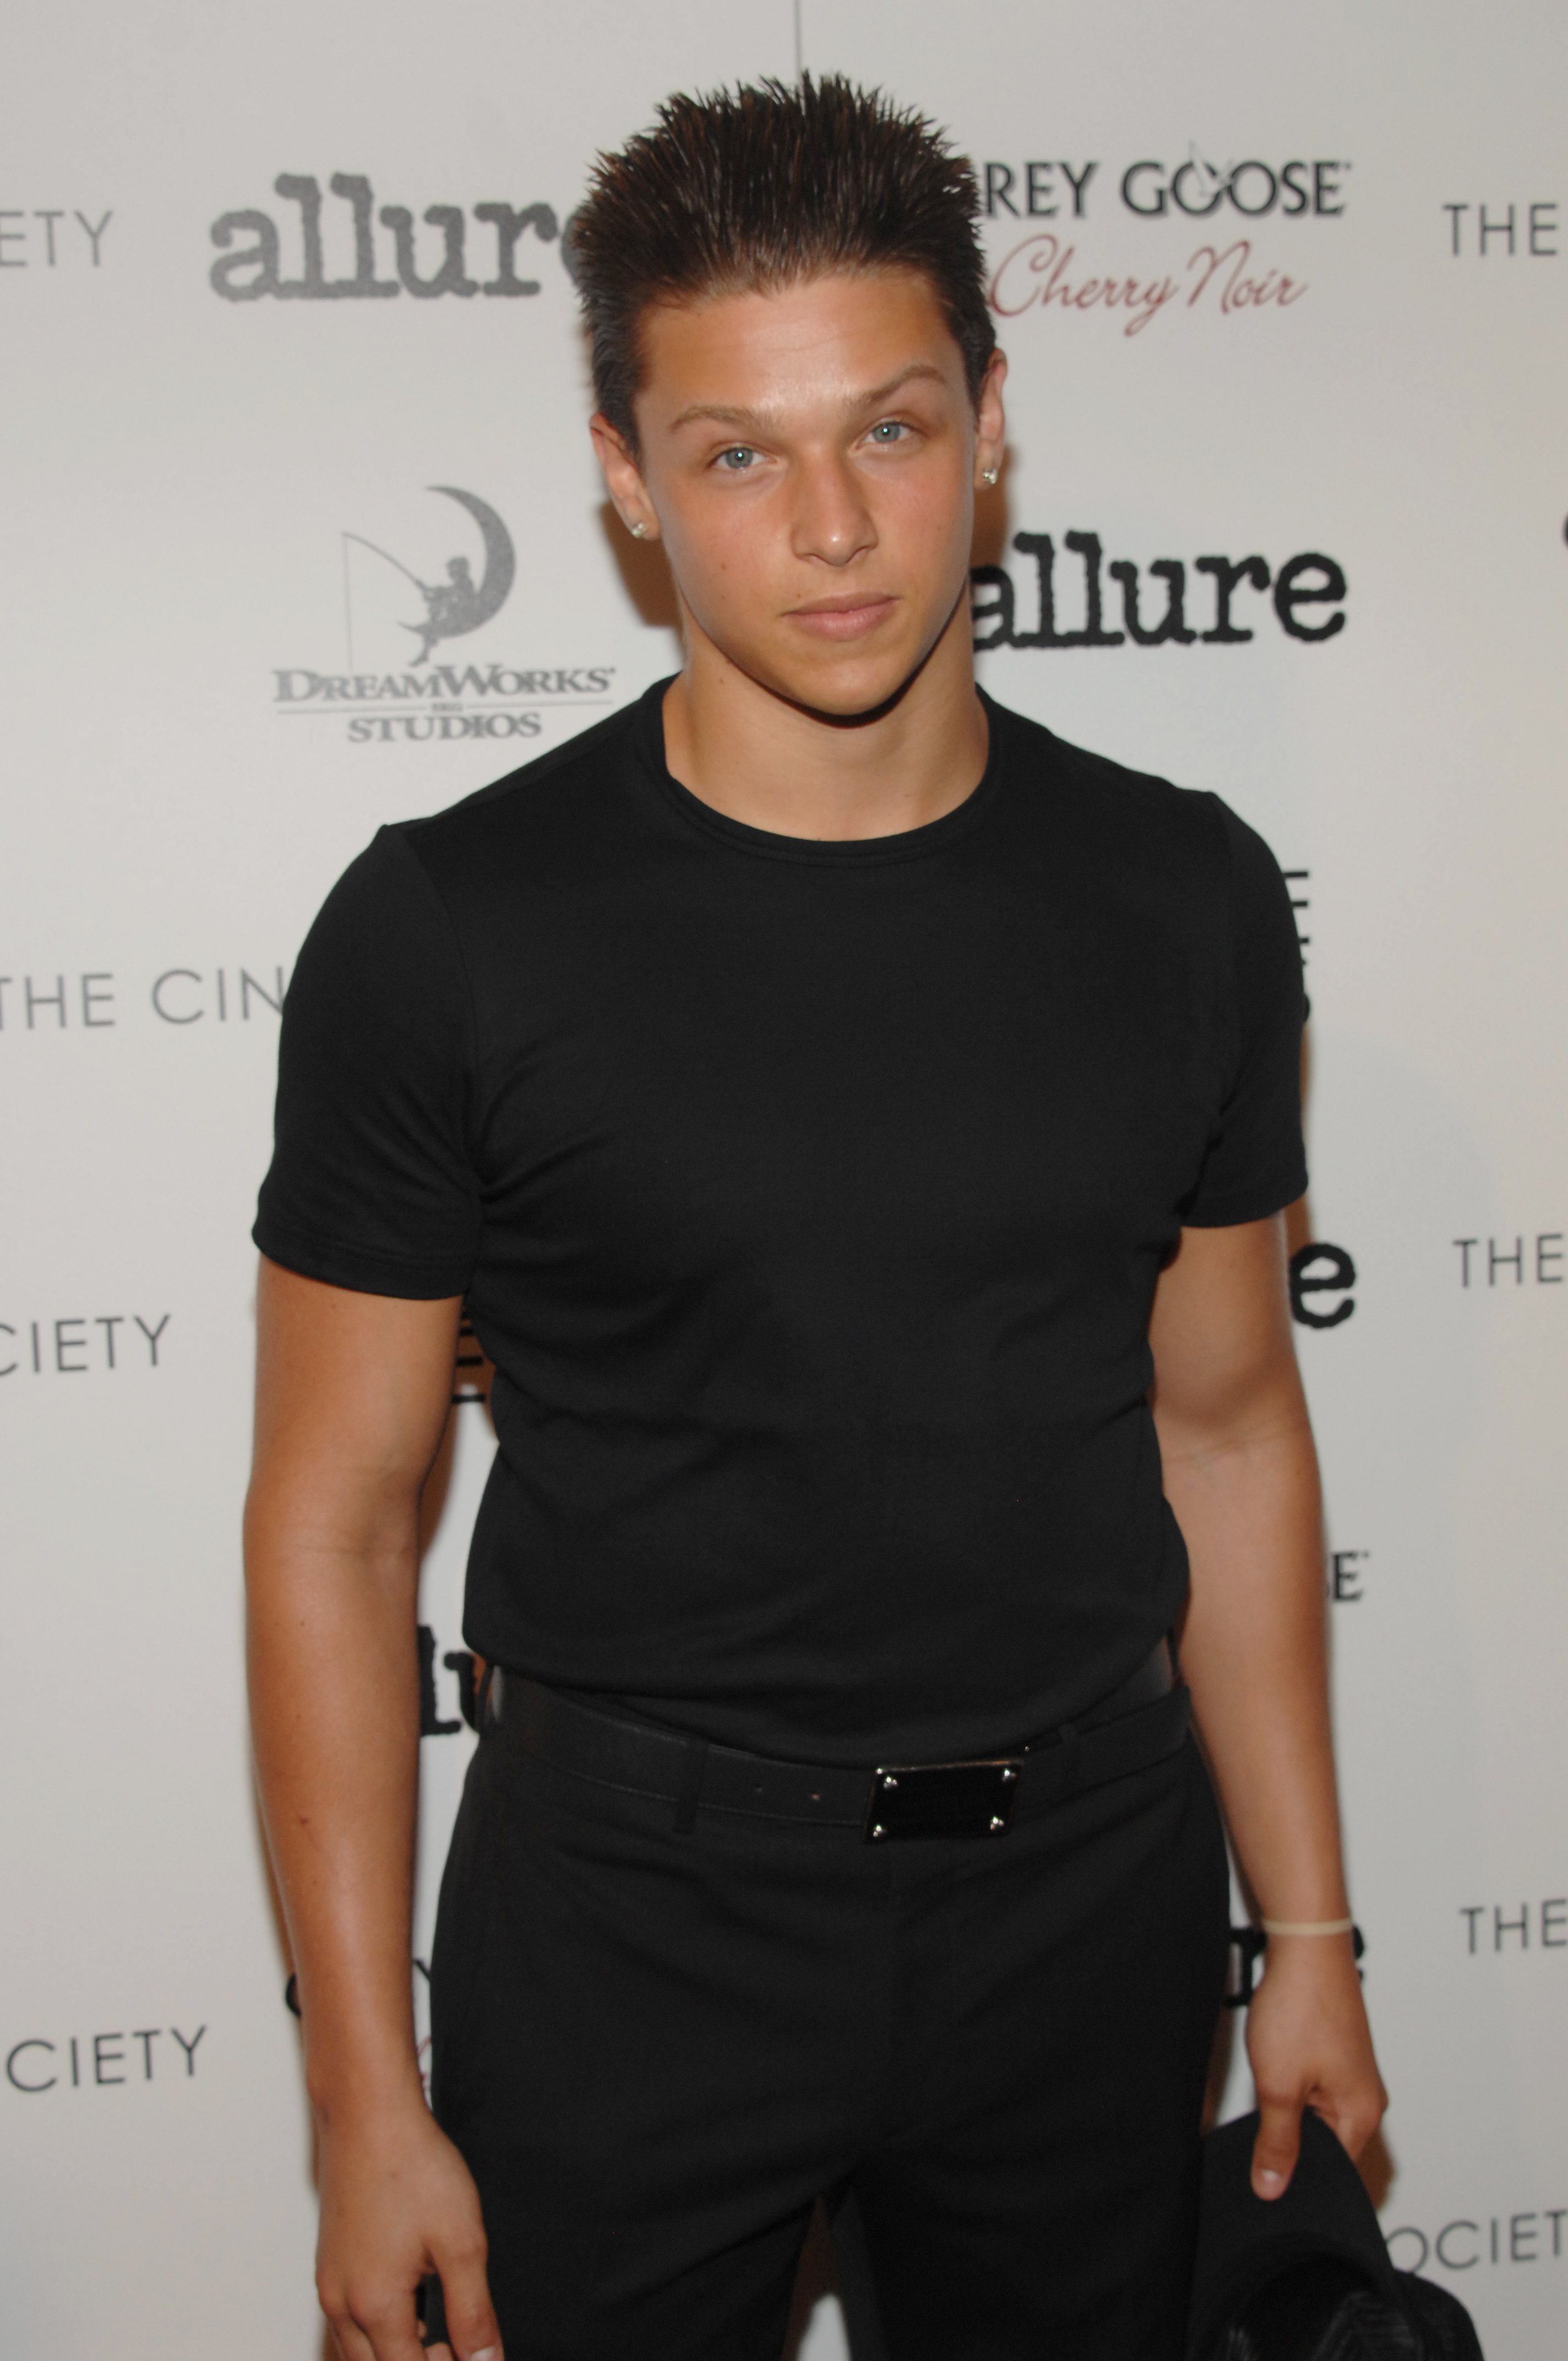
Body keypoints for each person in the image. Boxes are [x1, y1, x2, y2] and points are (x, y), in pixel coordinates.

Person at [244, 74, 1386, 2361]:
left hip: (1092, 1916)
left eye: (889, 427)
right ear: (623, 472)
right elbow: (337, 1528)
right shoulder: (450, 929)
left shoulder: (1182, 894)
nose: (836, 525)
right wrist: (362, 2097)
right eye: (738, 454)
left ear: (990, 419)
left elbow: (1231, 1427)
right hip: (626, 1928)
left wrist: (1311, 1941)